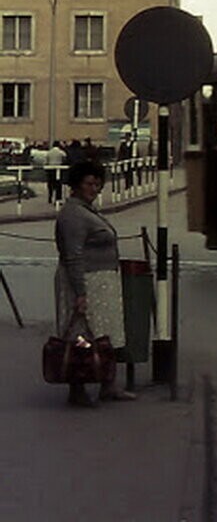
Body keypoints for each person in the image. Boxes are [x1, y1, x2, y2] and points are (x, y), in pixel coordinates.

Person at [54, 161, 135, 407]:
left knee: (103, 337)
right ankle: (76, 390)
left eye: (98, 184)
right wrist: (80, 293)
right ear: (76, 185)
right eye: (89, 183)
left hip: (101, 282)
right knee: (81, 336)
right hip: (85, 281)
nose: (95, 188)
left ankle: (107, 385)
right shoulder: (73, 215)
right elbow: (73, 254)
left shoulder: (87, 211)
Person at [45, 140, 68, 205]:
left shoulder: (49, 152)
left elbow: (46, 161)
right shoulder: (61, 152)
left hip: (50, 169)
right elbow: (65, 158)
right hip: (58, 169)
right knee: (58, 184)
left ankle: (50, 197)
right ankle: (57, 198)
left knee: (50, 184)